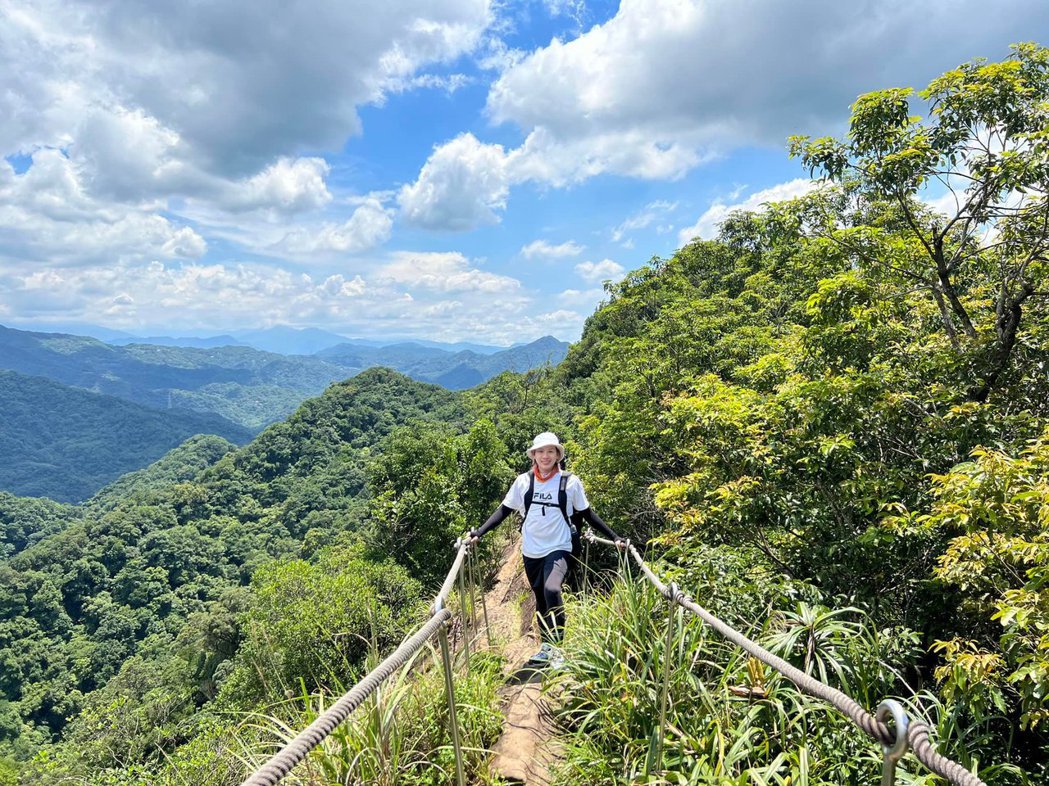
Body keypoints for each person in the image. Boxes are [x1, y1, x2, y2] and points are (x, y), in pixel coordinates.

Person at [467, 431, 625, 666]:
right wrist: (479, 533)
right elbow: (504, 511)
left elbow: (587, 514)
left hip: (560, 546)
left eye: (550, 451)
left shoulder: (570, 482)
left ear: (558, 455)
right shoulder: (523, 482)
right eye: (540, 451)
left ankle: (559, 648)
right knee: (541, 598)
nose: (545, 456)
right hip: (531, 550)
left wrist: (615, 537)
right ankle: (546, 648)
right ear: (533, 455)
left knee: (552, 589)